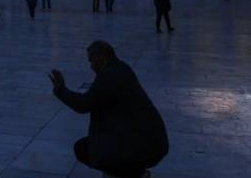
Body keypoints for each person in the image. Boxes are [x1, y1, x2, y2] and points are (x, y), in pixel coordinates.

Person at [49, 41, 169, 177]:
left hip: (143, 146)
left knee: (84, 149)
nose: (91, 66)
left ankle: (135, 173)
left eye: (91, 60)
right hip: (151, 142)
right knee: (97, 146)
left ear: (100, 57)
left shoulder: (109, 75)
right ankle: (129, 171)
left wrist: (61, 90)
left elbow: (83, 104)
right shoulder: (121, 67)